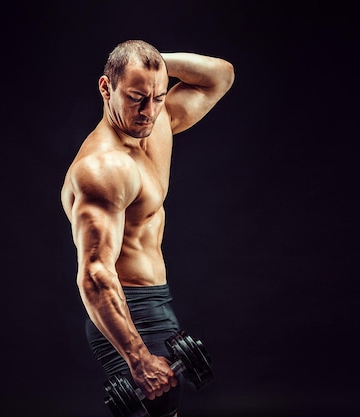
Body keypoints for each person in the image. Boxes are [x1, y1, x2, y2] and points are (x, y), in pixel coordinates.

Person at [60, 39, 234, 417]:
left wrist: (154, 62)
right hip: (128, 311)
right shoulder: (103, 168)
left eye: (157, 97)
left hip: (156, 301)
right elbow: (94, 274)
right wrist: (137, 358)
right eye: (136, 97)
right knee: (159, 407)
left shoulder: (158, 125)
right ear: (107, 88)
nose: (148, 111)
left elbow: (220, 76)